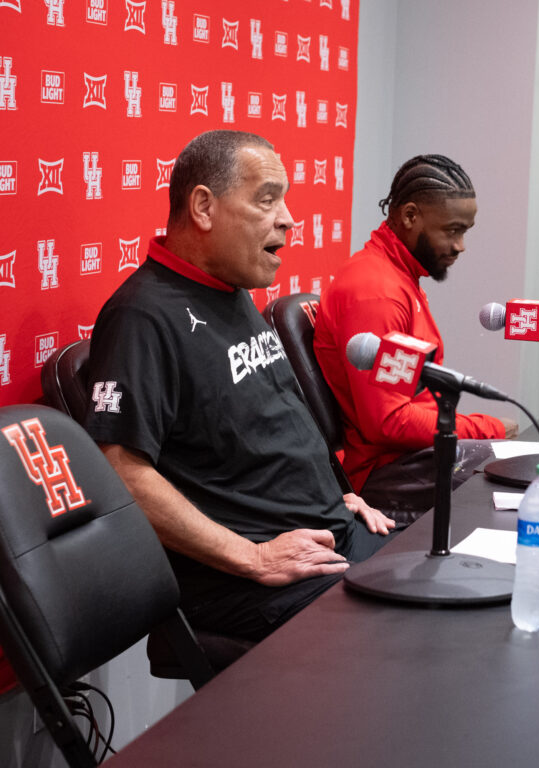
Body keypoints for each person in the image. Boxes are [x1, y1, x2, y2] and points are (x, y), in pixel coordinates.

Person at [84, 130, 396, 642]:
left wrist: (339, 494)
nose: (288, 219)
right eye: (267, 198)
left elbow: (277, 417)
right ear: (204, 207)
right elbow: (120, 472)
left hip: (332, 536)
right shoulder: (142, 316)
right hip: (249, 584)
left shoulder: (228, 289)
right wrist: (253, 558)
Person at [314, 155, 517, 521]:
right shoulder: (377, 292)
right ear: (410, 217)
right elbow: (389, 421)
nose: (460, 246)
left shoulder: (398, 277)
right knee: (521, 489)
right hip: (386, 474)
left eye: (465, 232)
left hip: (408, 458)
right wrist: (488, 428)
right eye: (452, 230)